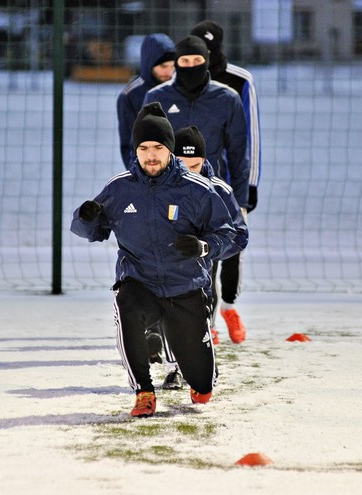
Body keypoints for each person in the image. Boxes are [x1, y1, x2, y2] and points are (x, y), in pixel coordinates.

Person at [70, 102, 239, 418]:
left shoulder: (197, 190)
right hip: (140, 281)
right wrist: (85, 217)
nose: (150, 155)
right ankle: (144, 392)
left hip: (184, 287)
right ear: (135, 151)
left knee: (202, 388)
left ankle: (195, 367)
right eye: (143, 147)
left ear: (170, 150)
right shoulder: (120, 188)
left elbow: (228, 235)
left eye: (158, 147)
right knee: (126, 301)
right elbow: (89, 231)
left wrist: (202, 247)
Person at [145, 33, 250, 344]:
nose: (190, 66)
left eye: (197, 61)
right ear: (177, 63)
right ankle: (159, 326)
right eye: (184, 61)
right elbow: (142, 147)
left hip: (209, 193)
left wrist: (241, 199)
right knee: (164, 257)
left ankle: (208, 324)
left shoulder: (226, 98)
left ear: (207, 61)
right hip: (165, 192)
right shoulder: (158, 97)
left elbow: (238, 152)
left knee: (209, 258)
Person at [158, 126, 250, 388]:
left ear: (206, 161)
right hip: (167, 266)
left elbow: (240, 236)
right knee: (168, 311)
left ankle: (205, 361)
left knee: (201, 311)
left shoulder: (220, 190)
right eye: (182, 165)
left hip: (203, 267)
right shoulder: (157, 187)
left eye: (195, 166)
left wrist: (207, 247)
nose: (189, 172)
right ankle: (173, 367)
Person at [190, 20, 262, 345]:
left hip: (231, 185)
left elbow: (251, 136)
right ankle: (208, 321)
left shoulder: (239, 80)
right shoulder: (185, 82)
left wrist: (250, 186)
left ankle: (230, 308)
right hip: (193, 183)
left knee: (232, 250)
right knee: (201, 253)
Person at [116, 33, 175, 170]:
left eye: (172, 66)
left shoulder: (178, 88)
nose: (169, 72)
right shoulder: (130, 96)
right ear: (149, 62)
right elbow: (129, 144)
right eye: (163, 66)